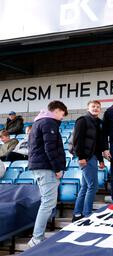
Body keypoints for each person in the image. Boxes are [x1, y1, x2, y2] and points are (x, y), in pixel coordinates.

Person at [27, 100, 68, 247]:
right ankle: (36, 239)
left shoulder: (39, 122)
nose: (63, 118)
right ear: (56, 110)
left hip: (40, 166)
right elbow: (50, 149)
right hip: (46, 167)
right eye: (62, 114)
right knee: (47, 203)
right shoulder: (48, 123)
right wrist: (57, 168)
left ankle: (37, 237)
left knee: (47, 202)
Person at [71, 100, 106, 222]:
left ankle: (77, 214)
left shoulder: (99, 123)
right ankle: (87, 214)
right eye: (93, 106)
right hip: (85, 157)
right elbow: (77, 140)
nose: (95, 108)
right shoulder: (82, 120)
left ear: (100, 109)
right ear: (88, 108)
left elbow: (98, 144)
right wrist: (81, 157)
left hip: (93, 157)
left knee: (85, 186)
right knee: (93, 186)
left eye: (98, 107)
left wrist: (101, 159)